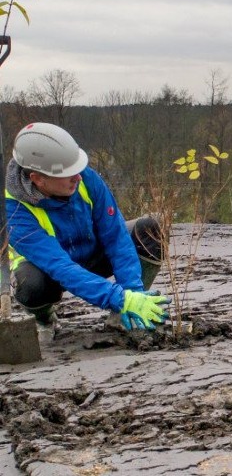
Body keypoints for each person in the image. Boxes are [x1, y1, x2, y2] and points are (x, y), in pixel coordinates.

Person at [4, 122, 170, 339]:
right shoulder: (13, 210)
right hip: (48, 272)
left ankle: (122, 316)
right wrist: (118, 298)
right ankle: (45, 320)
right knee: (30, 284)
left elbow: (116, 237)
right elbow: (59, 266)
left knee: (149, 228)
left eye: (77, 169)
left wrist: (132, 293)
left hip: (92, 254)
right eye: (67, 173)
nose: (78, 177)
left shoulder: (84, 177)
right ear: (37, 179)